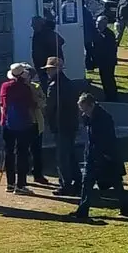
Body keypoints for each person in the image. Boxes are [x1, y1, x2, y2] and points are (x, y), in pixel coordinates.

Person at [71, 92, 128, 220]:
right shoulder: (91, 117)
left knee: (114, 182)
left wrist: (104, 155)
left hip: (105, 156)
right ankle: (83, 210)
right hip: (94, 155)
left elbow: (106, 139)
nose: (83, 112)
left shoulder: (104, 118)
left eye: (85, 109)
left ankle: (124, 205)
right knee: (87, 183)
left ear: (91, 105)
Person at [43, 56, 82, 195]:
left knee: (62, 156)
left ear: (55, 70)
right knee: (70, 154)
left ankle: (66, 184)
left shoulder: (54, 86)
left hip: (60, 124)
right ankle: (78, 181)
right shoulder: (70, 84)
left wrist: (47, 121)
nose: (48, 72)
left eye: (49, 69)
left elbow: (50, 107)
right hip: (71, 123)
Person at [0, 62, 37, 193]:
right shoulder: (25, 88)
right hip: (23, 124)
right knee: (22, 153)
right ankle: (20, 185)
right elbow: (31, 105)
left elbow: (1, 104)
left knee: (9, 152)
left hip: (7, 123)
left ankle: (10, 184)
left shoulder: (5, 87)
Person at [24, 64, 51, 186]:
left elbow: (43, 102)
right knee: (22, 150)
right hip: (22, 122)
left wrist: (36, 102)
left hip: (36, 121)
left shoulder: (36, 87)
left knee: (37, 150)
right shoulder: (17, 87)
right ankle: (22, 174)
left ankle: (38, 174)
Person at [31, 16, 66, 93]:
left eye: (33, 24)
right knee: (46, 84)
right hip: (41, 64)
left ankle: (52, 99)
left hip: (49, 64)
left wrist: (51, 59)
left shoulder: (47, 33)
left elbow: (61, 41)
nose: (31, 26)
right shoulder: (38, 33)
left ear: (39, 24)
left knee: (52, 84)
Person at [93, 16, 120, 101]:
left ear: (104, 24)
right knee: (104, 78)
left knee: (109, 78)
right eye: (97, 22)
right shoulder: (98, 33)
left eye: (99, 22)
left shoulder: (109, 34)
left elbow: (109, 49)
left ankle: (112, 96)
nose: (97, 24)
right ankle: (107, 95)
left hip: (108, 61)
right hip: (102, 61)